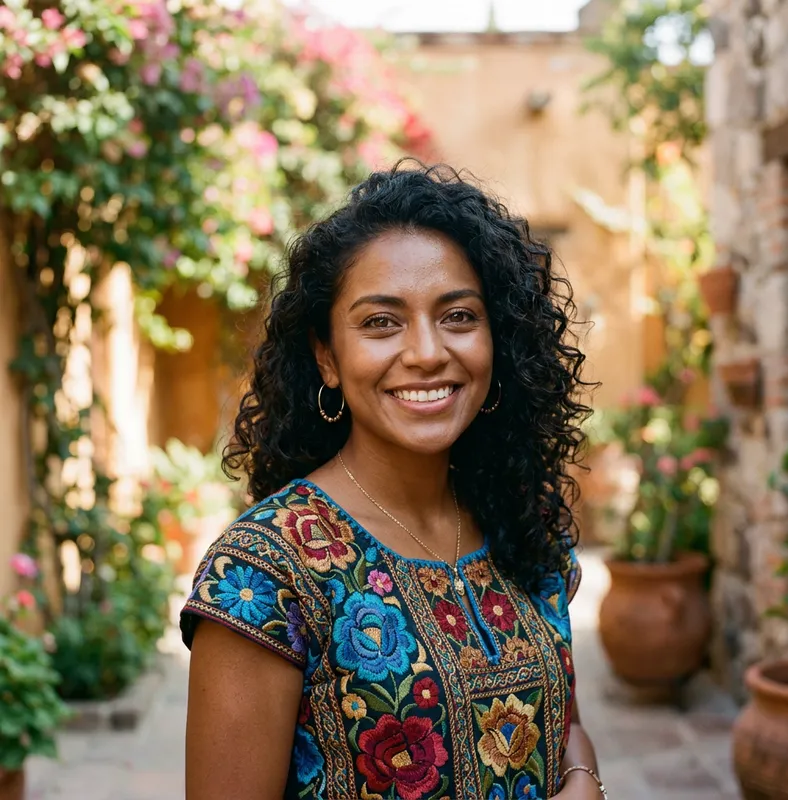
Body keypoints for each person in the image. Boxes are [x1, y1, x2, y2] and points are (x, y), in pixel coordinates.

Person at [181, 162, 604, 800]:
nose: (428, 351)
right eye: (382, 322)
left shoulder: (524, 524)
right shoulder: (264, 574)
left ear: (500, 339)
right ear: (326, 355)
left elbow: (562, 719)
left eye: (459, 316)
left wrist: (581, 778)